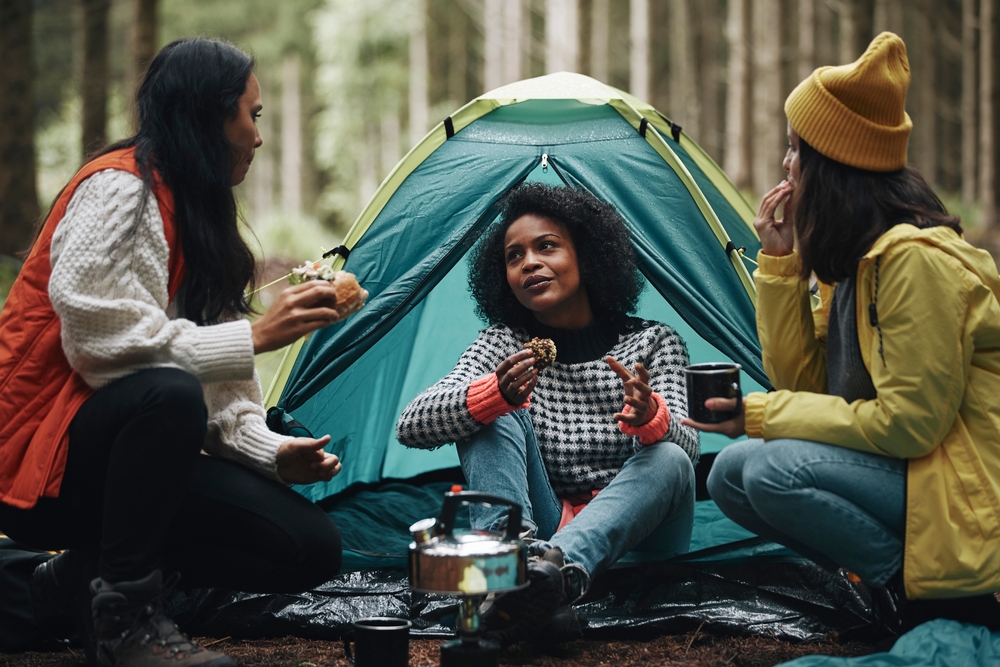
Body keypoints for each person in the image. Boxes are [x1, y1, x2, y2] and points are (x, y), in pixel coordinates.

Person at [0, 39, 353, 667]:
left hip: (123, 451)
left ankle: (65, 589)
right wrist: (256, 336)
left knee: (310, 548)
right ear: (207, 116)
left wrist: (273, 454)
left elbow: (220, 400)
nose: (258, 136)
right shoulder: (117, 190)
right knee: (167, 390)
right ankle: (127, 625)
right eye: (253, 115)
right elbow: (99, 345)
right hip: (34, 449)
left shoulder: (201, 220)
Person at [684, 32, 1000, 629]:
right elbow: (807, 386)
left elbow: (911, 425)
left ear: (831, 164)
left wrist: (758, 414)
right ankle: (894, 590)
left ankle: (932, 599)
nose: (786, 165)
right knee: (730, 475)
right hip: (912, 472)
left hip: (961, 487)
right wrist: (778, 264)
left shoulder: (913, 261)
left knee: (773, 469)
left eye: (795, 150)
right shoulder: (856, 261)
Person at [396, 183, 698, 644]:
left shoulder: (656, 342)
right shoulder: (505, 344)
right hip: (547, 518)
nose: (529, 263)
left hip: (643, 531)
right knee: (486, 408)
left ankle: (518, 580)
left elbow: (690, 451)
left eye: (547, 246)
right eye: (514, 256)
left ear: (588, 255)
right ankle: (526, 571)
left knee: (671, 457)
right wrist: (492, 395)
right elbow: (411, 423)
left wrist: (651, 417)